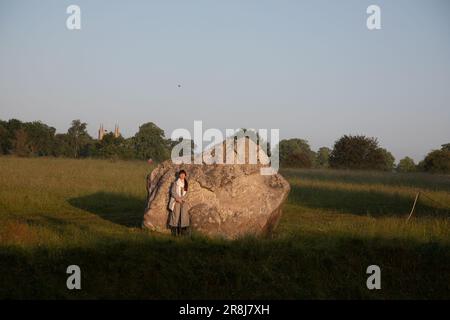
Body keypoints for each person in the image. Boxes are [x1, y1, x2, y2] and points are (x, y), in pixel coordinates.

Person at [168, 169, 190, 236]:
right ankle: (174, 233)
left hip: (183, 201)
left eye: (183, 174)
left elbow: (187, 193)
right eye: (181, 174)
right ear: (179, 175)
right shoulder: (175, 183)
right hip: (176, 201)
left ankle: (183, 233)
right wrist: (178, 198)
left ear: (185, 175)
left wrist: (182, 199)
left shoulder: (186, 183)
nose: (182, 175)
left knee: (184, 216)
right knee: (175, 216)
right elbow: (173, 191)